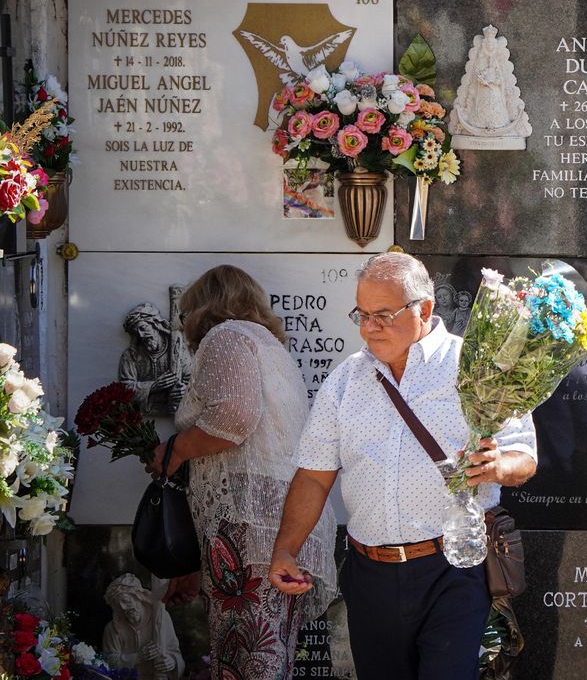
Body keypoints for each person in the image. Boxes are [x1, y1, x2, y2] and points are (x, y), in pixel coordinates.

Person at [269, 253, 538, 680]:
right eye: (362, 314)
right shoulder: (345, 381)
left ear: (424, 310)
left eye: (383, 315)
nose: (369, 327)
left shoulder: (475, 368)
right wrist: (286, 549)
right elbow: (314, 477)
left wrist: (497, 465)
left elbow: (524, 457)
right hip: (369, 574)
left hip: (453, 569)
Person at [145, 265, 337, 680]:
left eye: (184, 316)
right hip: (277, 527)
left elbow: (234, 418)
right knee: (266, 662)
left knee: (247, 661)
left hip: (248, 531)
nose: (184, 327)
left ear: (202, 309)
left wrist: (173, 451)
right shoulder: (267, 346)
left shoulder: (226, 336)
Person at [101, 574, 184, 680]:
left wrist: (172, 662)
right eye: (118, 605)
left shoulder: (161, 618)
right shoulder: (113, 629)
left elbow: (175, 653)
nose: (124, 608)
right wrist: (138, 657)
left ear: (138, 596)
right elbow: (109, 662)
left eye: (126, 601)